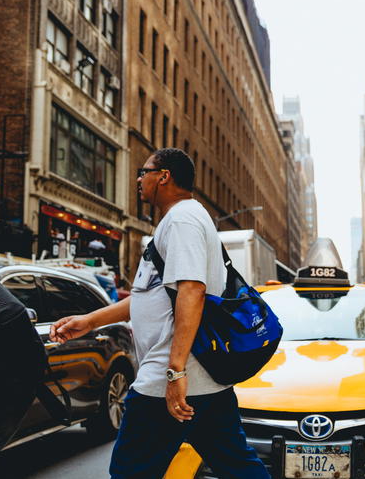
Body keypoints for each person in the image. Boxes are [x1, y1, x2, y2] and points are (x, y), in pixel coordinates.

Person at [50, 148, 268, 479]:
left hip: (170, 376)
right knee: (237, 466)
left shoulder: (182, 220)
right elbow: (149, 296)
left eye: (144, 171)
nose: (139, 179)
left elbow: (192, 291)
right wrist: (89, 321)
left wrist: (175, 373)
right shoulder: (179, 221)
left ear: (163, 176)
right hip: (199, 379)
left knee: (130, 471)